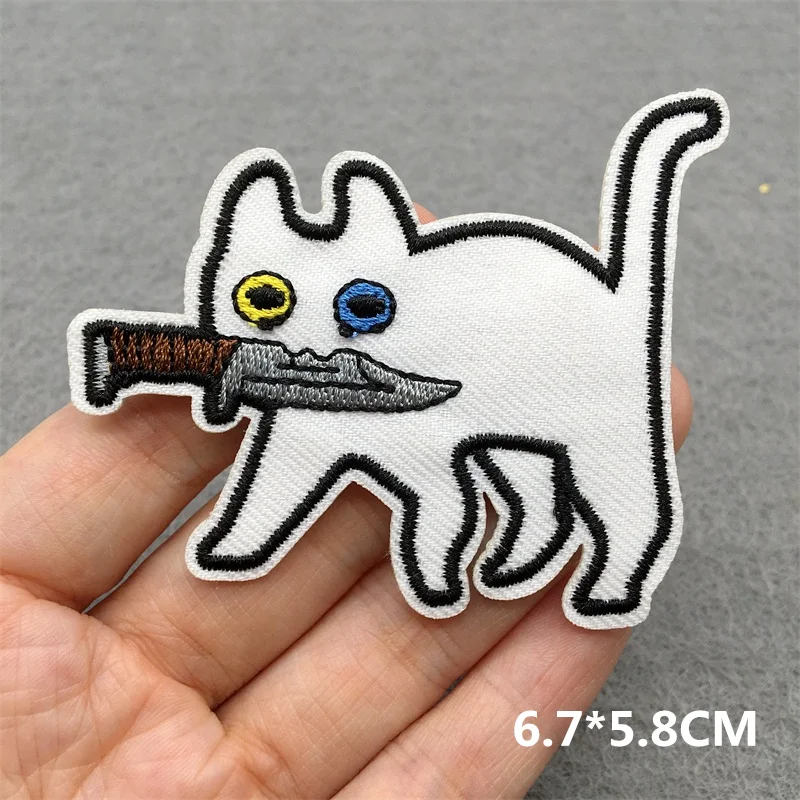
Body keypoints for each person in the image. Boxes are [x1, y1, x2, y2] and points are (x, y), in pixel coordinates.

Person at [0, 204, 693, 799]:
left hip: (571, 333)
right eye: (264, 304)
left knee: (596, 457)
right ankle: (535, 532)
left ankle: (620, 559)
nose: (309, 344)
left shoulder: (418, 370)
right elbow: (289, 466)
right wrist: (242, 539)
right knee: (491, 461)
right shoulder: (309, 396)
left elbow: (438, 490)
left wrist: (435, 564)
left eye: (361, 309)